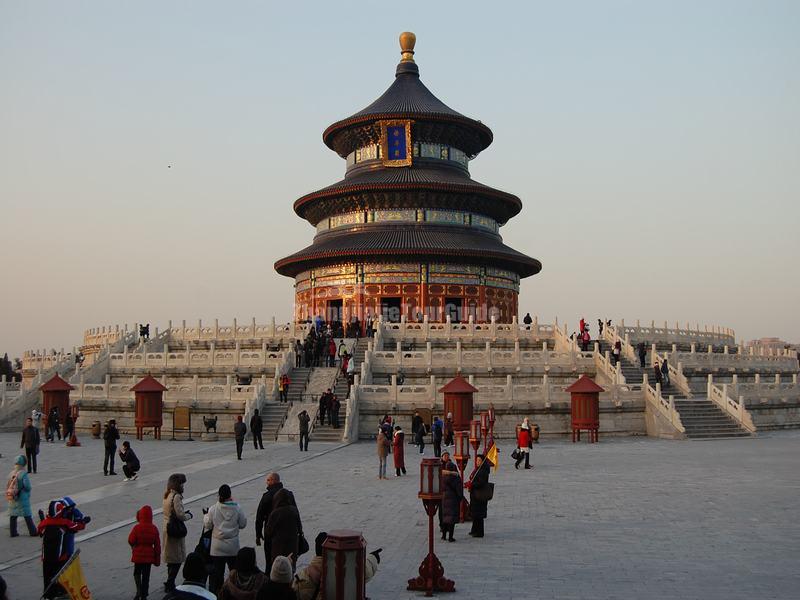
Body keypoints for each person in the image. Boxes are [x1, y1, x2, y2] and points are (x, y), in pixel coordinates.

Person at [38, 498, 89, 599]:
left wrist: (42, 519)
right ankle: (61, 592)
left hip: (46, 557)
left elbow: (39, 532)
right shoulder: (64, 523)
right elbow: (77, 526)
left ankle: (48, 595)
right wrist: (84, 521)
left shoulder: (44, 523)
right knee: (61, 576)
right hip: (60, 557)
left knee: (48, 576)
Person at [205, 484, 247, 596]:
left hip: (217, 547)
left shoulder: (213, 509)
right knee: (234, 571)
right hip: (232, 546)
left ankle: (217, 593)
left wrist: (205, 517)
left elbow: (208, 525)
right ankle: (233, 592)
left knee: (217, 573)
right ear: (230, 495)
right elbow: (243, 524)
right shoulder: (237, 508)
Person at [255, 473, 296, 568]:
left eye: (268, 480)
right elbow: (296, 514)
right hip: (289, 534)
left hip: (272, 534)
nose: (266, 482)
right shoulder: (289, 494)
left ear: (274, 481)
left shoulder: (267, 496)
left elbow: (259, 516)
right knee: (289, 563)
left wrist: (258, 534)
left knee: (270, 563)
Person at [163, 473, 193, 593]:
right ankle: (170, 582)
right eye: (182, 484)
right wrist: (189, 515)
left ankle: (169, 580)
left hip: (167, 527)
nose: (183, 486)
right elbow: (180, 515)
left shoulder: (167, 494)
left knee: (170, 557)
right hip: (175, 529)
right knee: (177, 558)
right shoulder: (176, 497)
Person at [128, 504, 161, 600]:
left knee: (137, 573)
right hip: (148, 557)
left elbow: (131, 540)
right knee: (146, 577)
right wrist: (157, 559)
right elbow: (157, 546)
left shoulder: (137, 528)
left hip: (138, 556)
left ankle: (138, 591)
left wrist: (134, 547)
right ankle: (144, 594)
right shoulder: (154, 528)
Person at [265, 489, 303, 568]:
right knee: (291, 568)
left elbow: (268, 532)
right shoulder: (294, 510)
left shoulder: (275, 513)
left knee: (278, 569)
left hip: (278, 548)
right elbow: (300, 527)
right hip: (292, 547)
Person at [7, 455, 36, 537]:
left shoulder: (11, 473)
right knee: (27, 514)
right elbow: (27, 486)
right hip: (22, 496)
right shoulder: (23, 474)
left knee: (13, 515)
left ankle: (13, 532)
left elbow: (8, 484)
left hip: (13, 496)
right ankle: (32, 531)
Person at [468, 454, 492, 538]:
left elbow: (481, 483)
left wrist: (472, 484)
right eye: (476, 460)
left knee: (479, 514)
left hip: (480, 495)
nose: (477, 462)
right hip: (475, 494)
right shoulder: (478, 469)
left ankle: (479, 532)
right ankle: (474, 529)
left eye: (479, 460)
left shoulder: (483, 471)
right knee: (475, 514)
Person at [439, 451, 461, 542]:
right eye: (445, 455)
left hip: (444, 497)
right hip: (451, 498)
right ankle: (450, 537)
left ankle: (444, 535)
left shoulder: (443, 477)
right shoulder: (454, 477)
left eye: (447, 455)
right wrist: (460, 497)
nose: (446, 457)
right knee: (451, 517)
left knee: (445, 515)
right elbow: (458, 487)